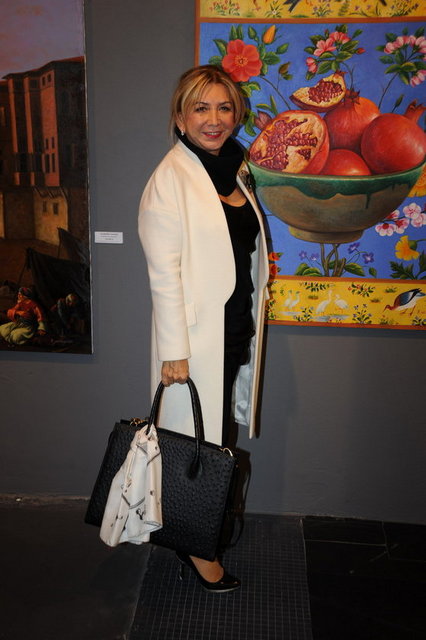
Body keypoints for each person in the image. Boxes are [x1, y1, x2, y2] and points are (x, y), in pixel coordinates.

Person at [138, 65, 269, 593]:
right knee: (195, 441)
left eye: (223, 107)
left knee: (215, 439)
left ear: (236, 114)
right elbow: (162, 272)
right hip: (194, 338)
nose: (214, 119)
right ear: (180, 117)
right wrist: (175, 352)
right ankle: (196, 546)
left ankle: (198, 528)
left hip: (233, 326)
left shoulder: (236, 168)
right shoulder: (170, 178)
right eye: (201, 108)